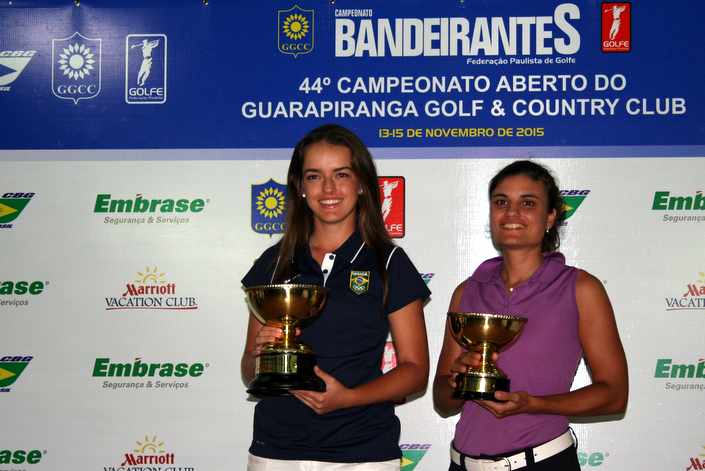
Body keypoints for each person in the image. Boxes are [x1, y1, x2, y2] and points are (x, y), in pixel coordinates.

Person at [241, 124, 430, 470]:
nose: (328, 188)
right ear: (300, 187)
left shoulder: (388, 261)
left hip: (362, 453)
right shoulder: (274, 262)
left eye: (341, 174)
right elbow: (249, 371)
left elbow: (415, 371)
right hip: (276, 451)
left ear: (361, 184)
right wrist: (260, 353)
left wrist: (348, 398)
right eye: (314, 176)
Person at [433, 160, 628, 471]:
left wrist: (533, 404)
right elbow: (442, 402)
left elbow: (614, 395)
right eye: (501, 202)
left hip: (543, 462)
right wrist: (459, 379)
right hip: (463, 464)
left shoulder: (580, 288)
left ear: (550, 216)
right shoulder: (467, 291)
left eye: (527, 203)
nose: (511, 213)